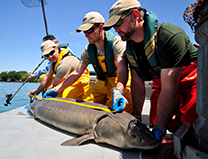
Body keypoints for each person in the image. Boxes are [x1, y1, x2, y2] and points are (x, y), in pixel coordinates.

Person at [103, 0, 198, 141]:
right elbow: (136, 81)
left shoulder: (170, 36)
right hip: (162, 85)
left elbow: (169, 89)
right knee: (154, 118)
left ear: (135, 14)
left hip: (192, 82)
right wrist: (136, 118)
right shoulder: (131, 49)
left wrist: (160, 128)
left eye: (118, 23)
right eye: (113, 27)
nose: (116, 30)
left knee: (192, 121)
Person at [43, 11, 133, 113]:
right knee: (86, 109)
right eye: (84, 32)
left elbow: (122, 71)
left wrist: (118, 91)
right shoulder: (87, 50)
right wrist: (57, 89)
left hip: (119, 82)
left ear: (101, 27)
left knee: (122, 110)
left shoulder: (117, 44)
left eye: (89, 30)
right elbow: (77, 72)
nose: (86, 35)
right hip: (101, 82)